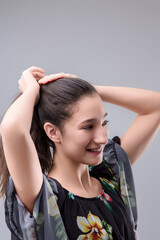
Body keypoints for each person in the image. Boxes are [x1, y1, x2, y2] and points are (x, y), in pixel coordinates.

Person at [0, 66, 160, 240]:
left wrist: (90, 90)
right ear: (53, 132)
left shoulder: (110, 176)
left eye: (104, 123)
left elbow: (156, 107)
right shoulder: (44, 197)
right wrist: (31, 91)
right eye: (88, 127)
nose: (101, 138)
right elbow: (12, 129)